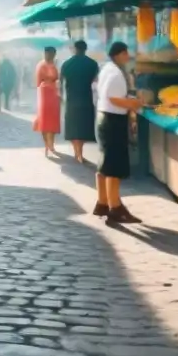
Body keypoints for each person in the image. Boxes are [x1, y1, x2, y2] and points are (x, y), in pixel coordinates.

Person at [94, 41, 143, 224]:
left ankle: (102, 202)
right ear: (118, 54)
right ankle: (115, 208)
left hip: (104, 118)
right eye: (125, 53)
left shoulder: (107, 68)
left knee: (104, 163)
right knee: (113, 167)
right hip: (112, 120)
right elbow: (113, 98)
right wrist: (133, 103)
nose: (127, 56)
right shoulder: (114, 72)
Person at [60, 40, 99, 164]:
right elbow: (94, 80)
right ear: (85, 49)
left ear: (74, 49)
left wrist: (61, 96)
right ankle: (80, 153)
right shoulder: (93, 64)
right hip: (86, 99)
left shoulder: (66, 64)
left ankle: (77, 152)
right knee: (83, 128)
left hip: (71, 100)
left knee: (72, 129)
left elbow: (61, 81)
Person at [32, 46, 61, 158]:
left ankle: (51, 143)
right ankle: (46, 144)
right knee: (44, 119)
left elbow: (58, 78)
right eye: (48, 54)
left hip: (54, 94)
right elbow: (38, 82)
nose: (50, 56)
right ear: (45, 54)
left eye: (52, 54)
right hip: (44, 93)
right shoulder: (40, 65)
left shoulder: (55, 66)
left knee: (53, 119)